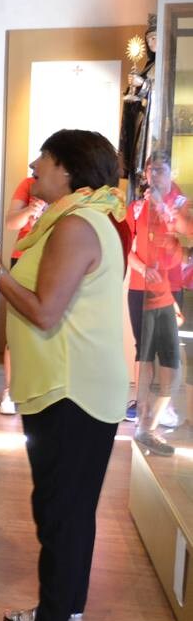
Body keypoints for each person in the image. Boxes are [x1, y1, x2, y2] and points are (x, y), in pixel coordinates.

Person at [0, 129, 128, 621]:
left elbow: (45, 312)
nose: (34, 165)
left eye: (45, 159)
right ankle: (65, 616)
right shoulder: (75, 218)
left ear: (70, 170)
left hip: (71, 390)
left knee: (63, 515)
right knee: (62, 510)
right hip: (65, 387)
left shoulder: (78, 225)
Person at [127, 152, 184, 454]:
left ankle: (161, 410)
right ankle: (143, 417)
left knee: (170, 357)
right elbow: (129, 247)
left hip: (171, 287)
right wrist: (139, 268)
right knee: (143, 351)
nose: (154, 176)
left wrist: (163, 207)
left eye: (160, 170)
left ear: (171, 173)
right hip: (141, 287)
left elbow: (186, 234)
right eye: (150, 170)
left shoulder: (180, 203)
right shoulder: (137, 207)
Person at [0, 175, 47, 415]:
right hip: (23, 256)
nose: (36, 166)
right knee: (17, 325)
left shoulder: (72, 192)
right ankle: (10, 390)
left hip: (52, 259)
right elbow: (11, 223)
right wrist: (30, 210)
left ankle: (39, 389)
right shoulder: (29, 184)